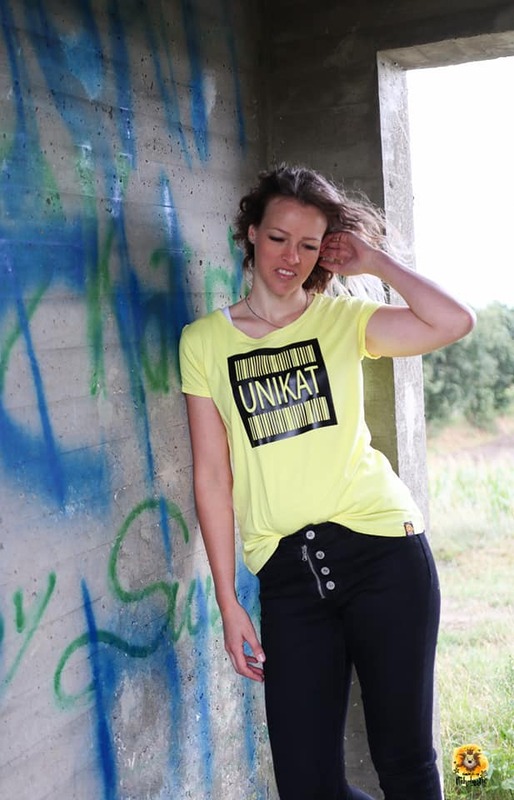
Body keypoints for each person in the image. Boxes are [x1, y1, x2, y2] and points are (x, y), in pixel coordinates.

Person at [179, 165, 475, 800]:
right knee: (307, 785)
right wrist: (228, 602)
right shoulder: (203, 343)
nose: (291, 258)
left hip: (383, 554)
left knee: (405, 763)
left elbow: (454, 322)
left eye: (309, 245)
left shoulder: (343, 319)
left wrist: (375, 262)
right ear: (251, 233)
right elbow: (212, 475)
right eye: (279, 238)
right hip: (288, 578)